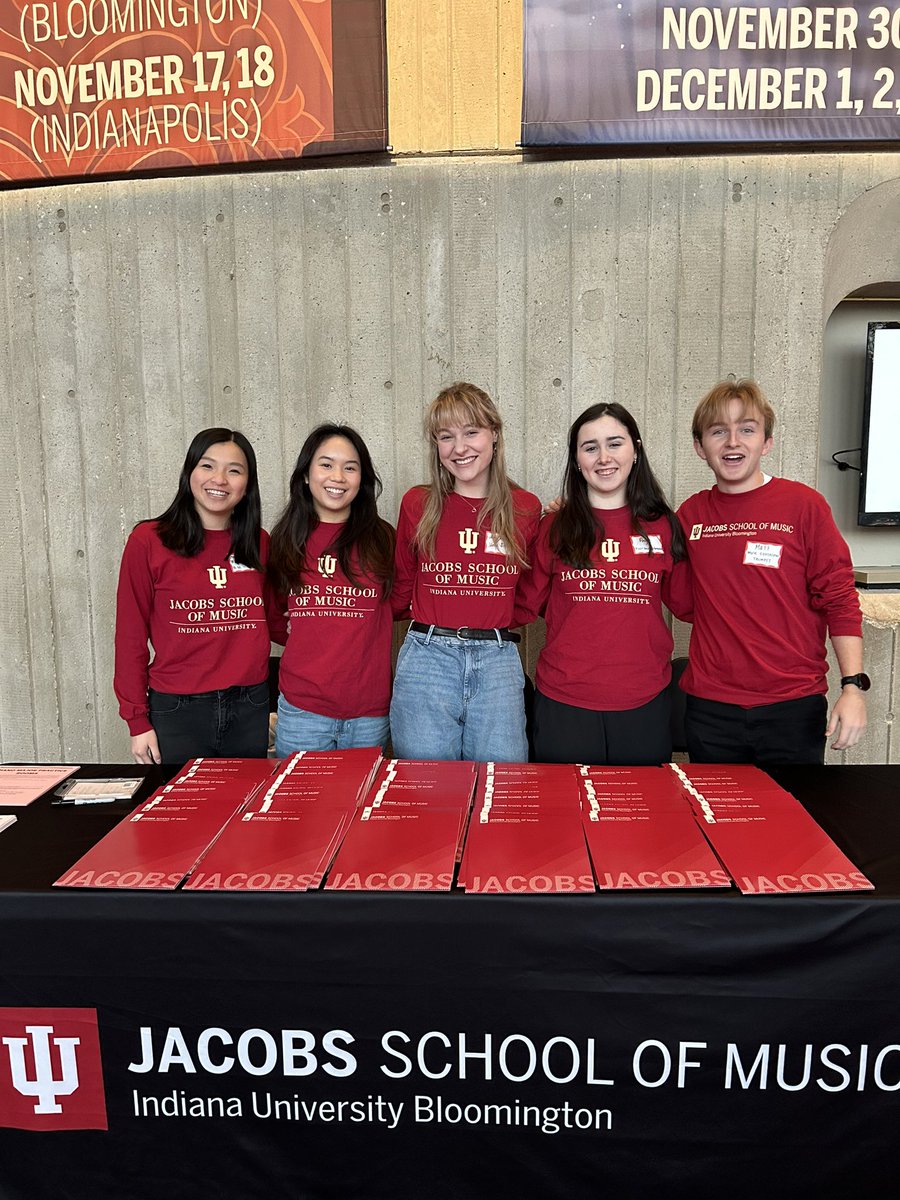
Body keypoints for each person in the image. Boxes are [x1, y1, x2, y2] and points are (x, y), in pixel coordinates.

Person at [678, 378, 867, 765]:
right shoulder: (690, 515)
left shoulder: (804, 506)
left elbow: (840, 599)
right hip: (711, 709)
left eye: (747, 430)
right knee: (717, 822)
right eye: (719, 431)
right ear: (701, 447)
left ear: (766, 443)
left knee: (792, 822)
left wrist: (853, 689)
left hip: (792, 708)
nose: (733, 442)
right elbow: (680, 598)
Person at [514, 402, 688, 765]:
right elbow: (523, 604)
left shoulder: (664, 525)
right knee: (564, 818)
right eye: (590, 447)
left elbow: (688, 605)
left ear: (635, 450)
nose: (603, 457)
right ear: (577, 459)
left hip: (644, 700)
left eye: (615, 443)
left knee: (637, 816)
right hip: (565, 701)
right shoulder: (554, 527)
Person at [391, 383, 542, 762]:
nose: (460, 448)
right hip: (428, 657)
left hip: (497, 658)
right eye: (447, 437)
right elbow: (402, 584)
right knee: (425, 790)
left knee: (502, 785)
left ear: (494, 435)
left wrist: (493, 620)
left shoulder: (525, 508)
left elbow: (528, 594)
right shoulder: (418, 504)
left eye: (471, 432)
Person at [115, 428, 276, 765]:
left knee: (242, 812)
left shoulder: (259, 543)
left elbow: (276, 621)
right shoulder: (148, 541)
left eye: (234, 470)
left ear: (247, 485)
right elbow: (130, 635)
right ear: (189, 472)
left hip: (250, 706)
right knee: (182, 813)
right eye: (207, 466)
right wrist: (137, 720)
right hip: (177, 709)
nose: (219, 479)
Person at [267, 424, 396, 754]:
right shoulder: (285, 539)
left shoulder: (383, 539)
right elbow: (274, 615)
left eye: (350, 467)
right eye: (326, 464)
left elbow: (399, 603)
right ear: (306, 476)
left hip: (369, 713)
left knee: (364, 805)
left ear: (362, 480)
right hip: (303, 713)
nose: (337, 476)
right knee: (298, 806)